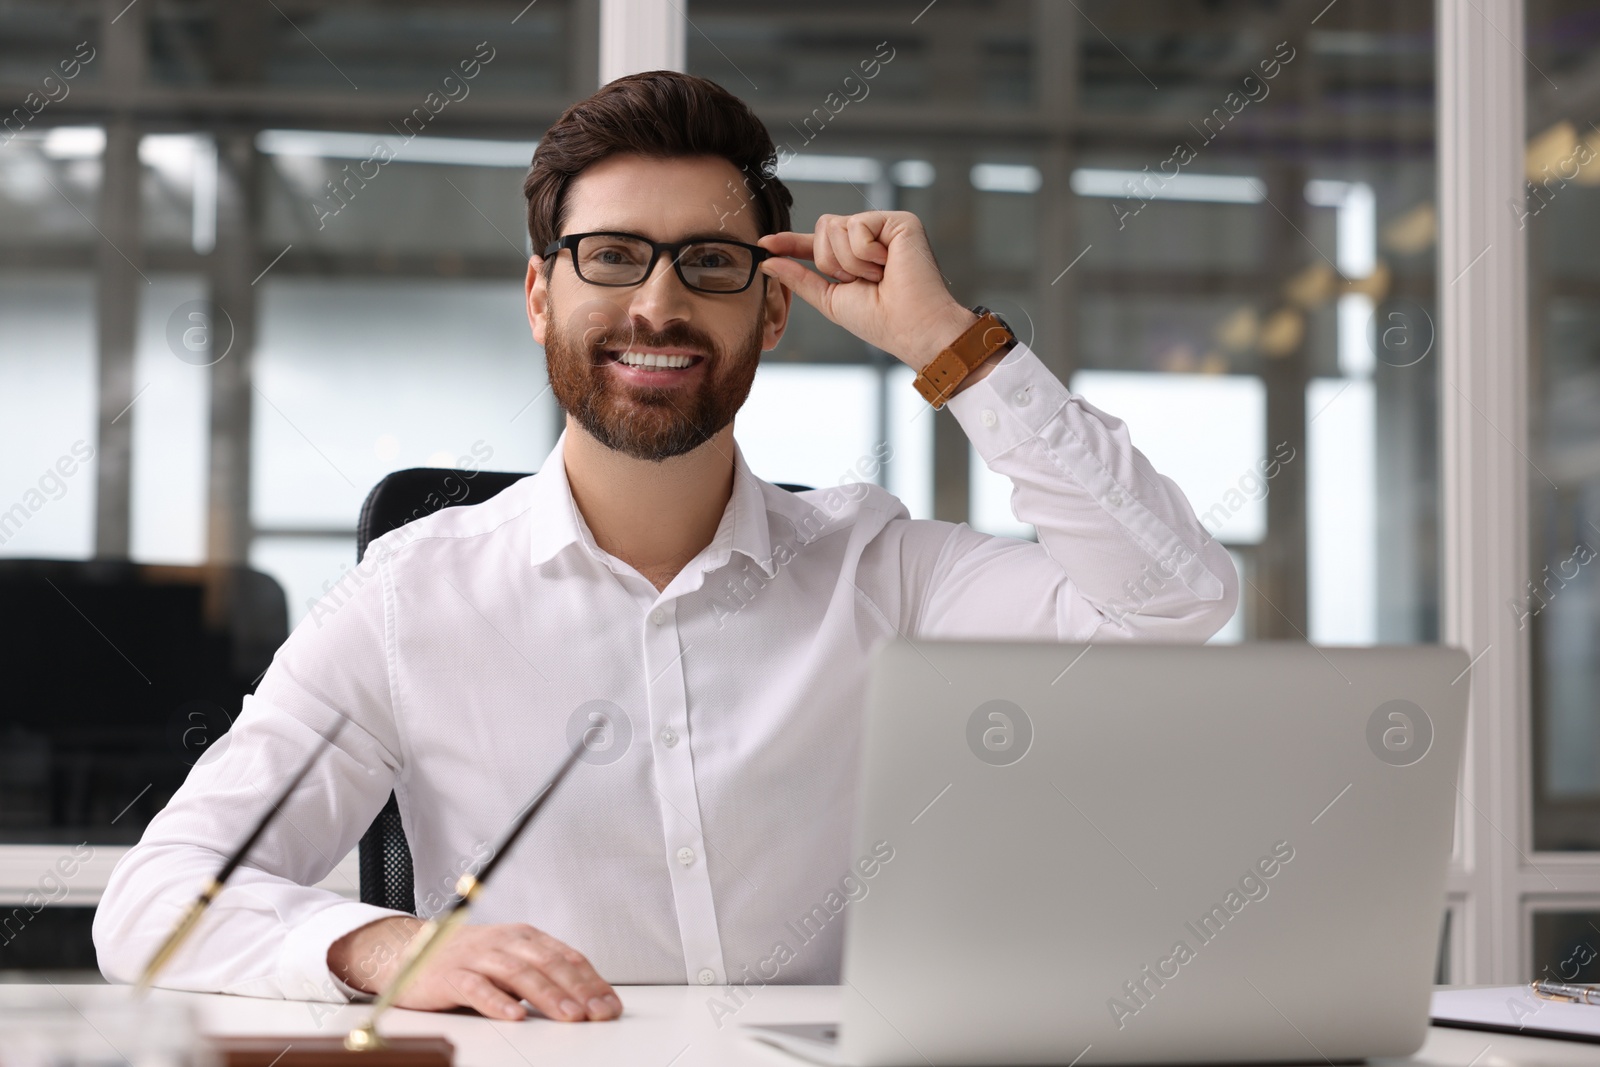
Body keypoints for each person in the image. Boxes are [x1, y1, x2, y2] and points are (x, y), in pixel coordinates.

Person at [94, 70, 1237, 1025]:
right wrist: (382, 946)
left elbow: (1171, 600)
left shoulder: (878, 568)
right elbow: (155, 902)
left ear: (772, 311)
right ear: (540, 295)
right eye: (610, 257)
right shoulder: (408, 599)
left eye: (708, 262)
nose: (658, 302)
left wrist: (946, 341)